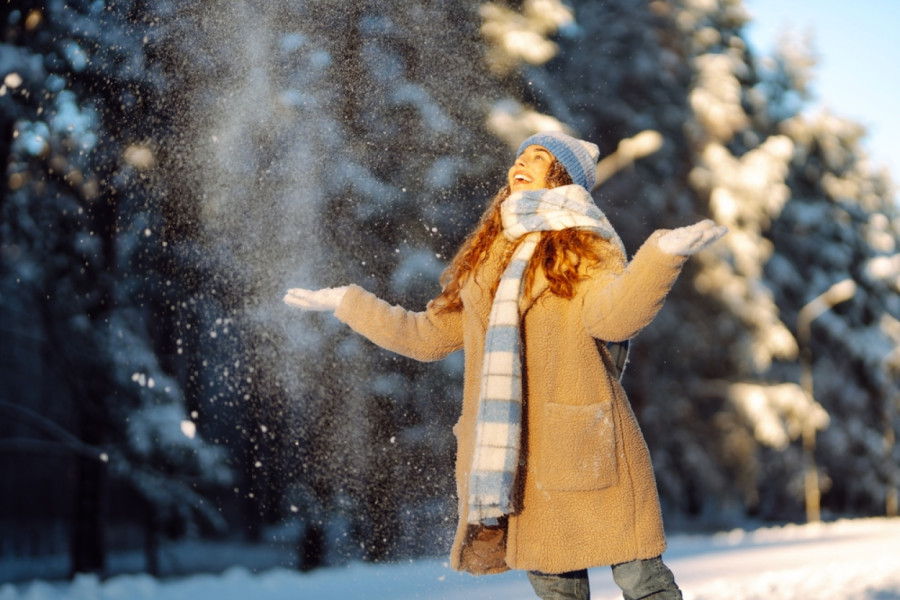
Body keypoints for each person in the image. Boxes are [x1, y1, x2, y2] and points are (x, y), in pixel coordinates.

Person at [284, 131, 726, 600]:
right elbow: (426, 335)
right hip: (519, 457)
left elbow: (614, 317)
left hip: (585, 444)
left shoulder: (585, 244)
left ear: (561, 176)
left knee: (642, 580)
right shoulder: (486, 259)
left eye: (539, 157)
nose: (523, 162)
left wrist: (661, 257)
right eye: (520, 155)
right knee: (556, 589)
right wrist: (349, 303)